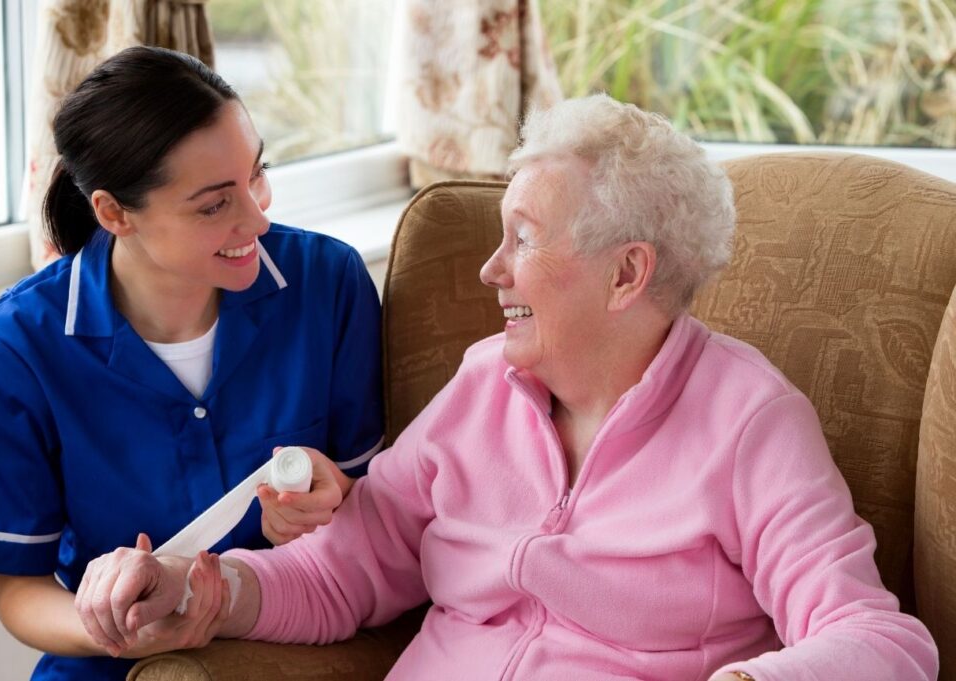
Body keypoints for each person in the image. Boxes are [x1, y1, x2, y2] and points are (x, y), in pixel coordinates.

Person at [76, 95, 939, 680]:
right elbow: (345, 572)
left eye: (521, 239)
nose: (491, 271)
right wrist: (195, 591)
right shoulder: (483, 383)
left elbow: (881, 639)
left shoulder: (748, 420)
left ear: (625, 273)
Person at [0, 46, 384, 681]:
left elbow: (385, 506)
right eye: (213, 204)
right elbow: (18, 593)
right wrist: (119, 632)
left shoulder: (327, 283)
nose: (257, 217)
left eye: (257, 174)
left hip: (301, 642)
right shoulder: (15, 348)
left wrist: (334, 494)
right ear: (115, 213)